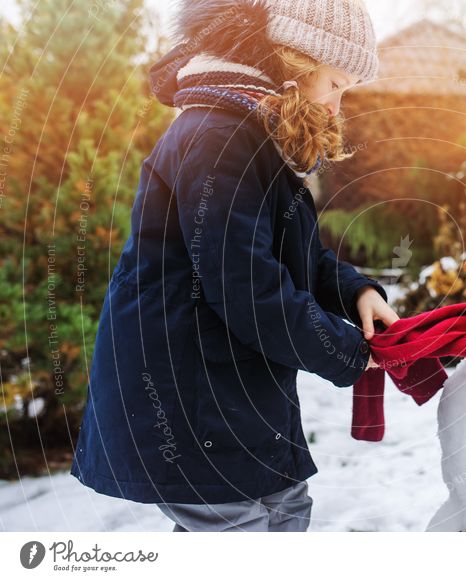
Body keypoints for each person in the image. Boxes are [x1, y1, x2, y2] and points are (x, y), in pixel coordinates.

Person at [69, 0, 399, 532]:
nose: (338, 107)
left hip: (237, 388)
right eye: (335, 84)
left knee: (286, 506)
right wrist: (344, 351)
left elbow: (296, 256)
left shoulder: (257, 136)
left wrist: (356, 293)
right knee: (238, 526)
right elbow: (245, 283)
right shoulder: (218, 139)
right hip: (188, 393)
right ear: (294, 64)